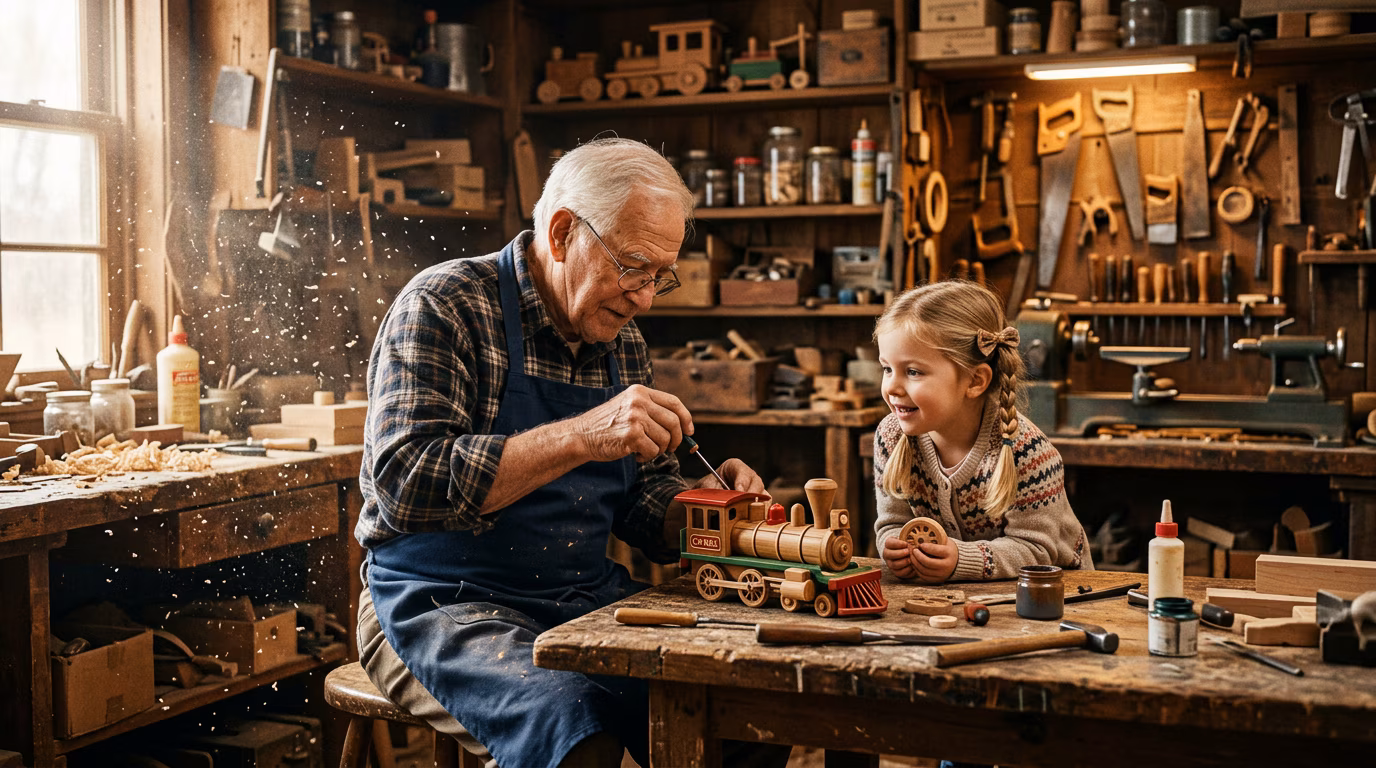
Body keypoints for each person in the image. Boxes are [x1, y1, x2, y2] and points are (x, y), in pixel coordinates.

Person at [355, 138, 787, 768]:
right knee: (571, 727)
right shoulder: (445, 305)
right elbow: (405, 485)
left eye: (659, 276)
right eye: (634, 266)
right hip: (437, 601)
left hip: (575, 593)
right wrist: (586, 433)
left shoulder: (619, 337)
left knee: (742, 711)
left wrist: (708, 509)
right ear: (562, 234)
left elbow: (639, 497)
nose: (643, 296)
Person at [872, 280, 1092, 584]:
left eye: (913, 372)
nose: (892, 388)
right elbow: (892, 523)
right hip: (966, 599)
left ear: (975, 381)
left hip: (1060, 595)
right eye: (887, 369)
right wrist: (893, 546)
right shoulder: (891, 437)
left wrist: (962, 560)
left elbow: (1038, 550)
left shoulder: (1027, 452)